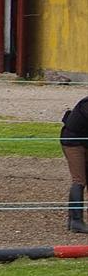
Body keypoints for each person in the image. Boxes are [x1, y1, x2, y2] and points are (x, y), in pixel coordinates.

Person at [60, 95, 88, 233]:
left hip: (84, 141)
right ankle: (76, 220)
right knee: (79, 180)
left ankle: (74, 220)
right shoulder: (86, 105)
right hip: (72, 143)